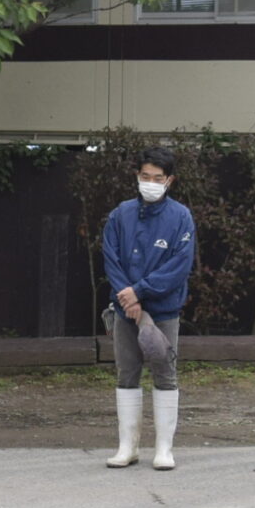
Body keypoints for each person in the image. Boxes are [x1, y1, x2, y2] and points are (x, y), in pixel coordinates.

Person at [102, 147, 196, 471]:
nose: (151, 183)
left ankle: (164, 448)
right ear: (137, 176)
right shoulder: (119, 215)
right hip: (125, 310)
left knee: (164, 372)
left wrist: (138, 292)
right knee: (126, 372)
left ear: (169, 180)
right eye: (146, 177)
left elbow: (179, 266)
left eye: (158, 178)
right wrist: (127, 298)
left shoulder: (181, 217)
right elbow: (111, 260)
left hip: (164, 310)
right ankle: (127, 446)